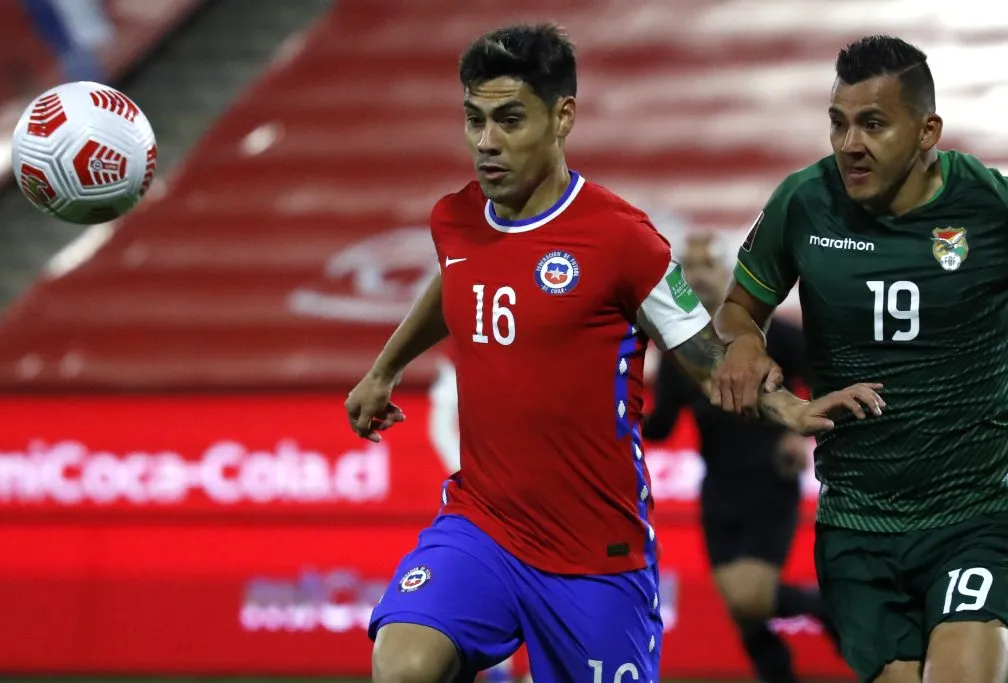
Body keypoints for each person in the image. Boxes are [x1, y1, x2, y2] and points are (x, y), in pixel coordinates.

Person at [344, 23, 883, 683]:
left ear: (562, 116)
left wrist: (787, 410)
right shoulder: (455, 218)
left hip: (596, 553)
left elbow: (703, 351)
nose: (487, 142)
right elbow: (455, 276)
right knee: (402, 664)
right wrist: (384, 369)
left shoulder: (624, 241)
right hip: (482, 526)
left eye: (509, 120)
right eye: (474, 120)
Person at [711, 34, 1008, 683]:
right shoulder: (804, 201)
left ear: (928, 129)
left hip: (974, 516)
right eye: (838, 123)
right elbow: (737, 312)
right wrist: (743, 345)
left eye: (873, 124)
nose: (850, 144)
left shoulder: (987, 205)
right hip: (855, 526)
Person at [643, 233, 838, 683]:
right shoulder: (678, 351)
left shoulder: (768, 334)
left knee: (750, 599)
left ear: (728, 272)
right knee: (741, 610)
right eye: (687, 266)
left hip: (768, 481)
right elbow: (662, 427)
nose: (695, 275)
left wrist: (797, 434)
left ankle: (832, 610)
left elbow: (824, 374)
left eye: (706, 264)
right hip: (718, 489)